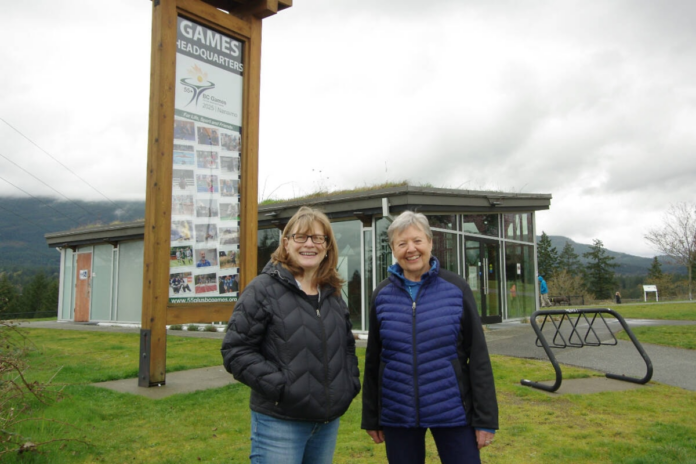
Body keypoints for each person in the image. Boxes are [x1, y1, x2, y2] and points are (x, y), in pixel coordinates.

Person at [221, 206, 361, 464]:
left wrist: (349, 383)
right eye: (300, 237)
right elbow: (236, 350)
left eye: (317, 238)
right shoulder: (262, 290)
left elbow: (347, 346)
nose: (309, 244)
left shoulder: (331, 293)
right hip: (279, 423)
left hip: (326, 424)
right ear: (286, 243)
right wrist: (282, 388)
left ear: (327, 246)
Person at [362, 211, 498, 464]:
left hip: (453, 410)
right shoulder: (381, 295)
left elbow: (479, 357)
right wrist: (371, 417)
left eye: (417, 241)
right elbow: (373, 360)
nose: (411, 249)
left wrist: (485, 419)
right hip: (398, 413)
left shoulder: (456, 288)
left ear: (430, 243)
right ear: (393, 249)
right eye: (402, 243)